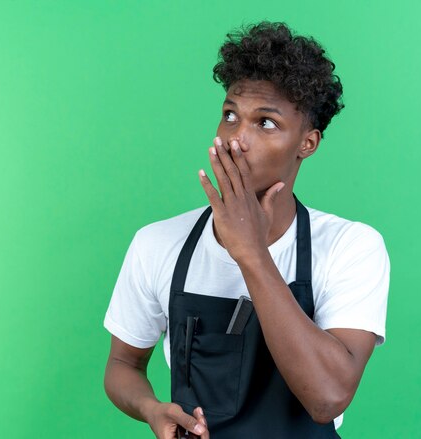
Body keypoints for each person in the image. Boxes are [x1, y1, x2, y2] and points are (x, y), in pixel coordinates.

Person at [103, 21, 390, 439]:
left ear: (307, 144)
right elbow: (122, 366)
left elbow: (328, 396)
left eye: (266, 123)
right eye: (230, 115)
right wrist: (151, 409)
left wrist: (251, 252)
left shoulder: (351, 247)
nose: (236, 139)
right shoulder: (157, 243)